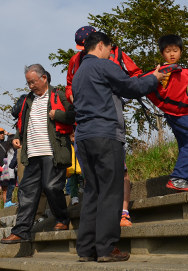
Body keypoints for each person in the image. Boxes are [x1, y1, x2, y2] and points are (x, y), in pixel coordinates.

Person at [72, 31, 164, 262]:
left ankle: (86, 249)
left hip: (83, 137)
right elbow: (131, 86)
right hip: (106, 135)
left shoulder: (79, 72)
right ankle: (106, 248)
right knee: (111, 191)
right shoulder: (103, 65)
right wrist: (154, 78)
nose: (111, 53)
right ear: (101, 45)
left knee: (92, 191)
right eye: (110, 49)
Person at [66, 26, 142, 228]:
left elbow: (135, 76)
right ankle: (104, 238)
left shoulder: (115, 54)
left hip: (110, 122)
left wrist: (126, 91)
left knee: (118, 173)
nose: (82, 50)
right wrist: (71, 95)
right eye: (80, 46)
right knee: (96, 182)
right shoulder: (76, 61)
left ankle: (122, 213)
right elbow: (69, 85)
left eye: (84, 45)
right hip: (91, 128)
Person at [1, 63, 75, 244]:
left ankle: (62, 218)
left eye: (33, 81)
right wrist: (17, 137)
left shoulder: (58, 95)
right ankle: (21, 231)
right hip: (32, 153)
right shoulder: (27, 100)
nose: (31, 86)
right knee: (26, 191)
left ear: (44, 78)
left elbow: (74, 114)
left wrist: (57, 114)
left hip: (53, 151)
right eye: (28, 83)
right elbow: (22, 122)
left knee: (51, 186)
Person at [147, 34, 188, 191]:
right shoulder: (166, 70)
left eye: (175, 50)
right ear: (162, 54)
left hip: (176, 112)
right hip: (177, 113)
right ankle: (178, 178)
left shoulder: (175, 70)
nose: (172, 54)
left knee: (184, 143)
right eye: (168, 51)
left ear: (181, 52)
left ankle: (183, 179)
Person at [1, 140, 18, 208]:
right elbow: (11, 163)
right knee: (11, 186)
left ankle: (8, 202)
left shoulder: (9, 150)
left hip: (12, 172)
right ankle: (8, 202)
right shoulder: (11, 151)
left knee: (11, 186)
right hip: (11, 173)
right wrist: (11, 175)